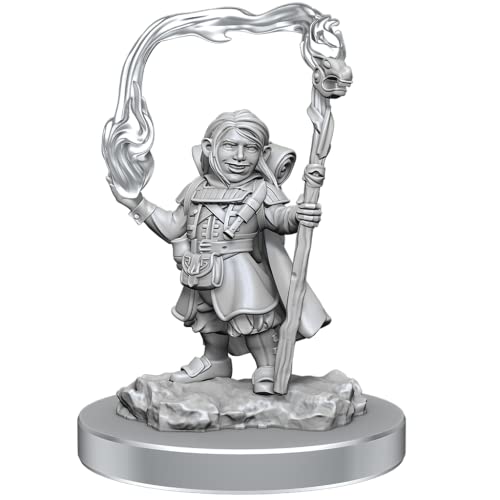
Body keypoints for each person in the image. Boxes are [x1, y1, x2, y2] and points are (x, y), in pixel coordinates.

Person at [109, 109, 328, 394]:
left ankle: (267, 366)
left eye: (250, 148)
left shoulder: (261, 190)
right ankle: (215, 360)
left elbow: (278, 218)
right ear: (210, 147)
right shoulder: (195, 188)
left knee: (252, 318)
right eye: (230, 145)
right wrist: (136, 202)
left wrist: (298, 214)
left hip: (241, 270)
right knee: (207, 317)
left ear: (263, 153)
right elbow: (173, 226)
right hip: (200, 267)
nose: (239, 156)